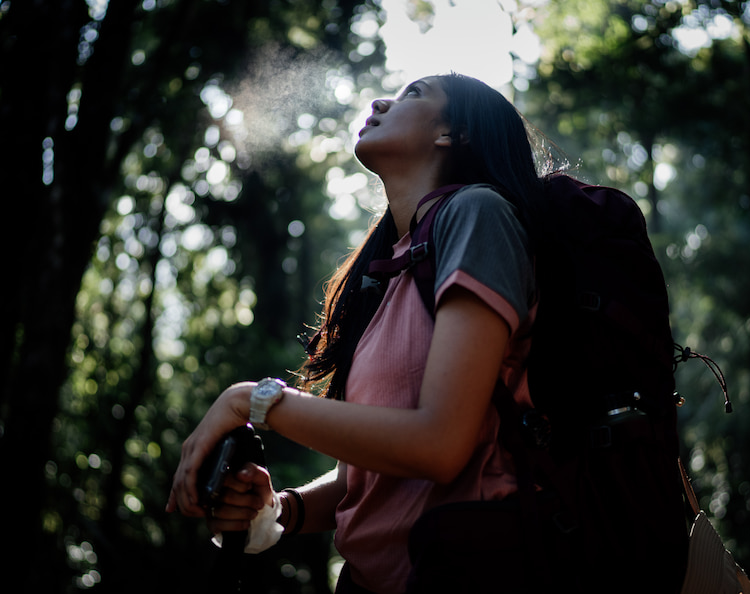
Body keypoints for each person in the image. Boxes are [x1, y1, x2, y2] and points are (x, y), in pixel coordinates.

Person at [167, 73, 686, 593]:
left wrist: (251, 403)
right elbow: (365, 479)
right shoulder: (388, 273)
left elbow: (438, 443)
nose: (380, 99)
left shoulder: (477, 214)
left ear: (450, 134)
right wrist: (283, 509)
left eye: (414, 93)